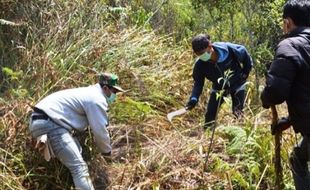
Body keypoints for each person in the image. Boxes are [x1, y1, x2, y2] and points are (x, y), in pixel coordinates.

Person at [28, 72, 125, 190]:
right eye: (114, 92)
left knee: (77, 153)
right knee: (79, 168)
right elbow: (100, 131)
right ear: (105, 88)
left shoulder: (88, 93)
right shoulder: (96, 99)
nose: (115, 95)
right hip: (51, 125)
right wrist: (106, 153)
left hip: (41, 121)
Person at [261, 0, 310, 189]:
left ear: (287, 22)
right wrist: (289, 120)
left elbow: (275, 93)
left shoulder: (290, 45)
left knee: (298, 160)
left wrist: (265, 98)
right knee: (298, 157)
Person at [186, 34, 253, 129]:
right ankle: (208, 137)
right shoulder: (200, 64)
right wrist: (194, 98)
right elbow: (198, 83)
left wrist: (246, 72)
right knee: (210, 115)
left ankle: (239, 137)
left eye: (202, 53)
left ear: (210, 47)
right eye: (198, 54)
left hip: (237, 83)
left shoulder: (229, 49)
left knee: (238, 112)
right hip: (219, 87)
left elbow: (244, 54)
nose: (201, 56)